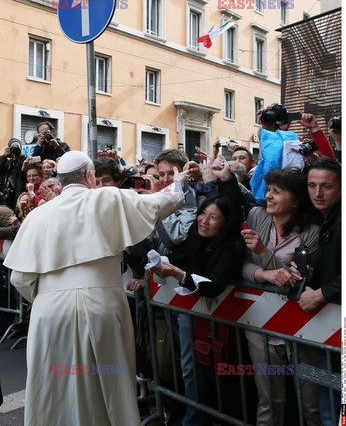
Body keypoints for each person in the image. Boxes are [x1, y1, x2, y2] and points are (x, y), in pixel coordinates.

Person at [4, 150, 185, 426]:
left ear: (60, 180)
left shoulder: (37, 216)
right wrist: (180, 181)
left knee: (55, 388)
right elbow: (161, 203)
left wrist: (48, 299)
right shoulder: (106, 197)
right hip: (103, 306)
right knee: (110, 387)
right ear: (89, 176)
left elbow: (19, 279)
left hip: (48, 313)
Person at [150, 189, 247, 426]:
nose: (204, 220)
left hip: (214, 325)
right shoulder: (196, 236)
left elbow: (214, 284)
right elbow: (178, 257)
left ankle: (196, 420)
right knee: (189, 370)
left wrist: (177, 274)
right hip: (186, 313)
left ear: (226, 222)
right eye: (203, 213)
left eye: (213, 218)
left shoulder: (231, 245)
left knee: (196, 372)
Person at [241, 168, 322, 426]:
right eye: (269, 190)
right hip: (260, 324)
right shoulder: (256, 215)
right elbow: (241, 266)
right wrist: (263, 274)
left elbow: (294, 282)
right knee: (269, 400)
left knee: (310, 402)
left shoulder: (311, 231)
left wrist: (264, 254)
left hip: (300, 324)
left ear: (296, 199)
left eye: (278, 191)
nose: (269, 196)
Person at [295, 158, 341, 426]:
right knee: (328, 392)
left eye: (326, 186)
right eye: (312, 185)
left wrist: (322, 292)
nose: (318, 193)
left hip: (334, 317)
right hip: (327, 325)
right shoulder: (323, 218)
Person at [0, 138, 27, 209]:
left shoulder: (24, 160)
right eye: (13, 147)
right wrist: (4, 156)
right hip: (7, 194)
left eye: (17, 147)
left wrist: (22, 157)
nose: (15, 150)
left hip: (19, 193)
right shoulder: (7, 162)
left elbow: (22, 171)